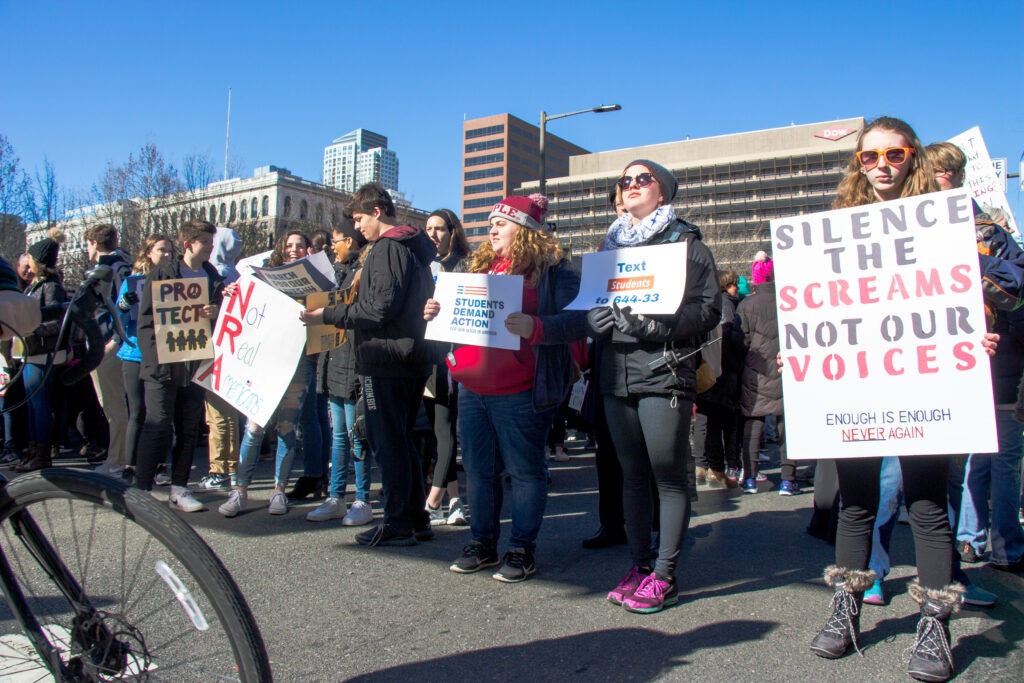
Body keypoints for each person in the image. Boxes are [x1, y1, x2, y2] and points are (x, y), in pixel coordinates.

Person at [807, 117, 997, 682]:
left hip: (926, 379)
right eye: (869, 157)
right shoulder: (835, 229)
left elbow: (985, 290)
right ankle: (845, 611)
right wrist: (803, 349)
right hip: (856, 383)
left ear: (913, 157)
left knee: (928, 505)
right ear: (857, 165)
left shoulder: (947, 222)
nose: (882, 165)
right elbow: (818, 308)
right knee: (858, 502)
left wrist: (980, 328)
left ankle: (935, 624)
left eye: (895, 154)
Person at [425, 193, 586, 582]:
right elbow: (456, 313)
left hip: (521, 390)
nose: (492, 228)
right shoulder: (476, 265)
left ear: (526, 229)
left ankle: (521, 549)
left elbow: (580, 320)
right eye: (492, 222)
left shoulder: (553, 269)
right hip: (472, 387)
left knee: (525, 471)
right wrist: (435, 312)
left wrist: (537, 327)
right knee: (479, 472)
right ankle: (482, 544)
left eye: (502, 222)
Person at [587, 159, 721, 612]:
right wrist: (592, 318)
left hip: (663, 370)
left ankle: (665, 575)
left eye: (642, 179)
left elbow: (708, 311)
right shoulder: (609, 245)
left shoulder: (687, 243)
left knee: (667, 472)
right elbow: (588, 302)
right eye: (624, 181)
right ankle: (640, 566)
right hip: (614, 372)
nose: (630, 186)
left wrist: (654, 325)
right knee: (632, 474)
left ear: (662, 191)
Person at [302, 183, 435, 547]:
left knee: (388, 443)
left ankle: (397, 523)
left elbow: (378, 308)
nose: (357, 227)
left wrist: (326, 315)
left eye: (359, 218)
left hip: (385, 358)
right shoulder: (414, 248)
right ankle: (415, 518)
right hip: (409, 356)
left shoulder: (388, 248)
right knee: (402, 440)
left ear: (377, 211)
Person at [219, 231, 322, 517]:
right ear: (280, 249)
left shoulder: (317, 283)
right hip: (264, 363)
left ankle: (279, 490)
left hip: (299, 363)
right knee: (254, 427)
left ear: (307, 250)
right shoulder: (262, 279)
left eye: (299, 245)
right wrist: (230, 294)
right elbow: (245, 302)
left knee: (288, 429)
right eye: (288, 245)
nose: (293, 250)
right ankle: (239, 490)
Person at [134, 220, 223, 511]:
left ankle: (180, 488)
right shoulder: (162, 275)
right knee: (157, 425)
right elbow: (146, 323)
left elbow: (224, 320)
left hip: (195, 366)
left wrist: (216, 311)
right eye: (206, 243)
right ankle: (142, 490)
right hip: (162, 367)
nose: (211, 248)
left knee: (188, 429)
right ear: (189, 245)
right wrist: (155, 361)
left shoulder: (212, 277)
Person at [306, 221, 375, 526]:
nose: (332, 247)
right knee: (338, 436)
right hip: (333, 359)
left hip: (353, 362)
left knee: (356, 435)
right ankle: (335, 497)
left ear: (350, 240)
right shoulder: (332, 274)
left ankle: (362, 500)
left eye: (335, 241)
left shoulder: (365, 270)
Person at [422, 208, 471, 526]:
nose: (432, 234)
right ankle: (453, 501)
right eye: (427, 228)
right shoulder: (422, 265)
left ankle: (431, 502)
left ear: (453, 231)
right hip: (427, 355)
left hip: (455, 357)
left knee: (445, 428)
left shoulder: (466, 265)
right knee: (435, 429)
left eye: (439, 228)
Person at [737, 251, 799, 495]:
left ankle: (750, 478)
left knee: (753, 425)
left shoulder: (746, 305)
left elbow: (739, 341)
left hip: (755, 370)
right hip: (787, 369)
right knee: (788, 428)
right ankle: (787, 479)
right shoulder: (790, 300)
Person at [115, 234, 175, 484]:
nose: (167, 255)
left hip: (163, 353)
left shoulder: (175, 280)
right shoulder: (132, 281)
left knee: (160, 413)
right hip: (134, 353)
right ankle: (131, 464)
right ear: (149, 253)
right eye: (162, 250)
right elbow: (117, 314)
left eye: (171, 251)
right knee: (137, 411)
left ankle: (160, 464)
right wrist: (124, 304)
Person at [12, 229, 67, 471]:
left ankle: (42, 454)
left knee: (40, 404)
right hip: (29, 352)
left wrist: (32, 329)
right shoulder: (34, 286)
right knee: (33, 404)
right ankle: (34, 451)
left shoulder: (50, 287)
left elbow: (58, 321)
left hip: (41, 352)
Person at [83, 223, 132, 477]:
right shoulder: (124, 265)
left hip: (108, 345)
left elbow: (121, 305)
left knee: (114, 406)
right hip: (114, 343)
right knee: (120, 405)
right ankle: (119, 458)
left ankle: (117, 460)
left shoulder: (108, 269)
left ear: (94, 243)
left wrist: (114, 338)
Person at [197, 227, 243, 491]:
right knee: (227, 414)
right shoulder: (236, 273)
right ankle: (230, 466)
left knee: (216, 415)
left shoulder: (215, 274)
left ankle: (219, 469)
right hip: (231, 350)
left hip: (215, 350)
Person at [693, 269, 744, 488]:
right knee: (725, 423)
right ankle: (721, 467)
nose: (736, 289)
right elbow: (732, 340)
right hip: (721, 370)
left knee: (707, 421)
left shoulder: (704, 304)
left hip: (707, 368)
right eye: (734, 284)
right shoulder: (726, 306)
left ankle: (705, 465)